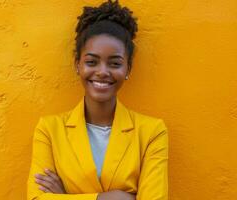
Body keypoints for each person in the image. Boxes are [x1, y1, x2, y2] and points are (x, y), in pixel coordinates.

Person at [27, 0, 168, 199]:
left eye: (114, 63)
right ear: (78, 65)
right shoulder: (49, 130)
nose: (102, 72)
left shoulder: (151, 133)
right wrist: (111, 197)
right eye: (92, 62)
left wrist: (64, 196)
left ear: (128, 69)